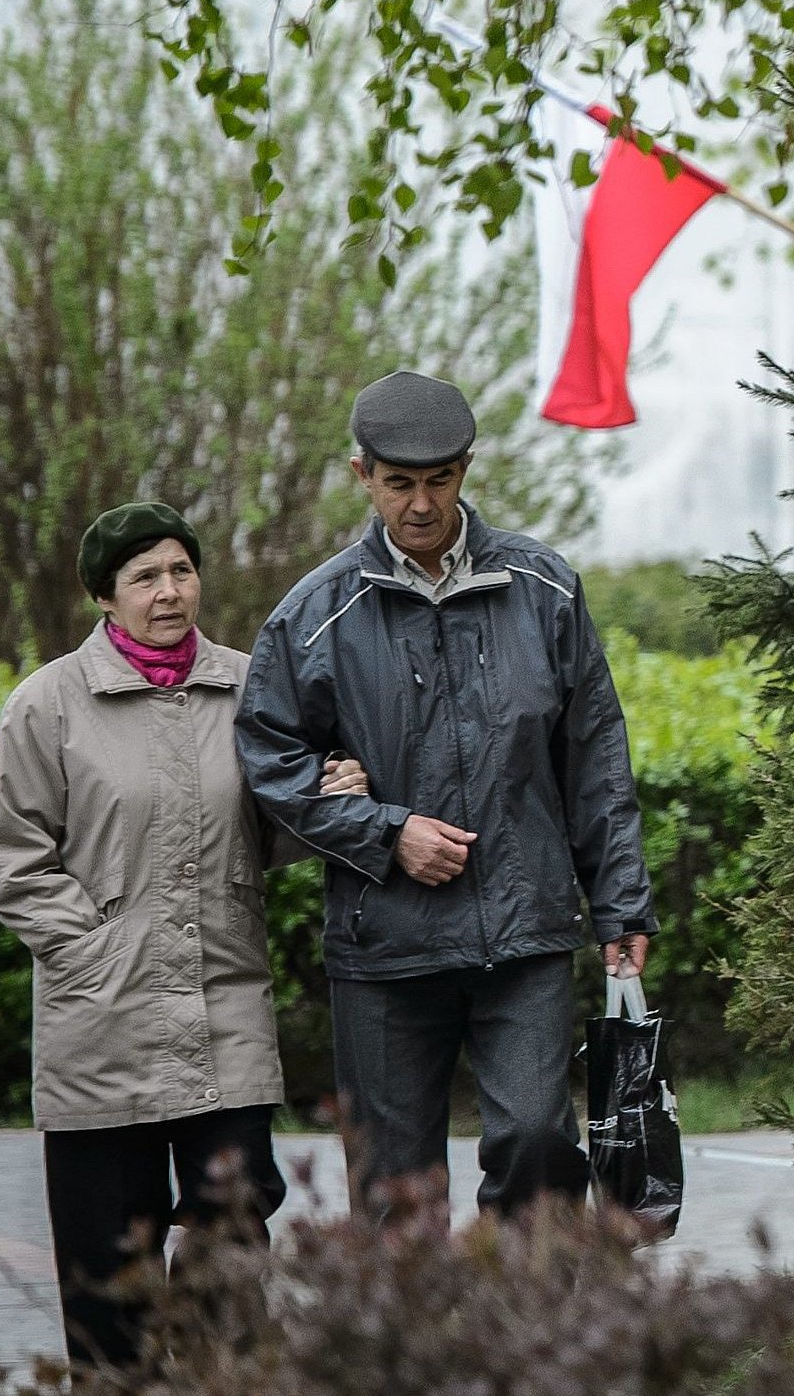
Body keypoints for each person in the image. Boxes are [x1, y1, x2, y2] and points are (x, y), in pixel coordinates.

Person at [237, 370, 657, 1225]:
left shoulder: (545, 589)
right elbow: (270, 758)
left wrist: (619, 905)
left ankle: (530, 1348)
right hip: (384, 946)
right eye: (399, 485)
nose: (420, 504)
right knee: (394, 1187)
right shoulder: (312, 615)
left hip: (524, 932)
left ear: (466, 469)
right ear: (362, 475)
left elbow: (594, 760)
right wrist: (384, 832)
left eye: (438, 481)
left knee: (539, 1143)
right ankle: (409, 1360)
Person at [0, 503, 367, 1365]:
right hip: (100, 1018)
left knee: (235, 1229)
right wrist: (95, 952)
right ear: (105, 597)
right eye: (145, 577)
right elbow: (12, 857)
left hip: (224, 1003)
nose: (169, 591)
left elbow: (268, 829)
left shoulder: (251, 685)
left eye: (181, 571)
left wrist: (326, 800)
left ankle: (212, 1379)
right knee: (107, 1262)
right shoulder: (47, 705)